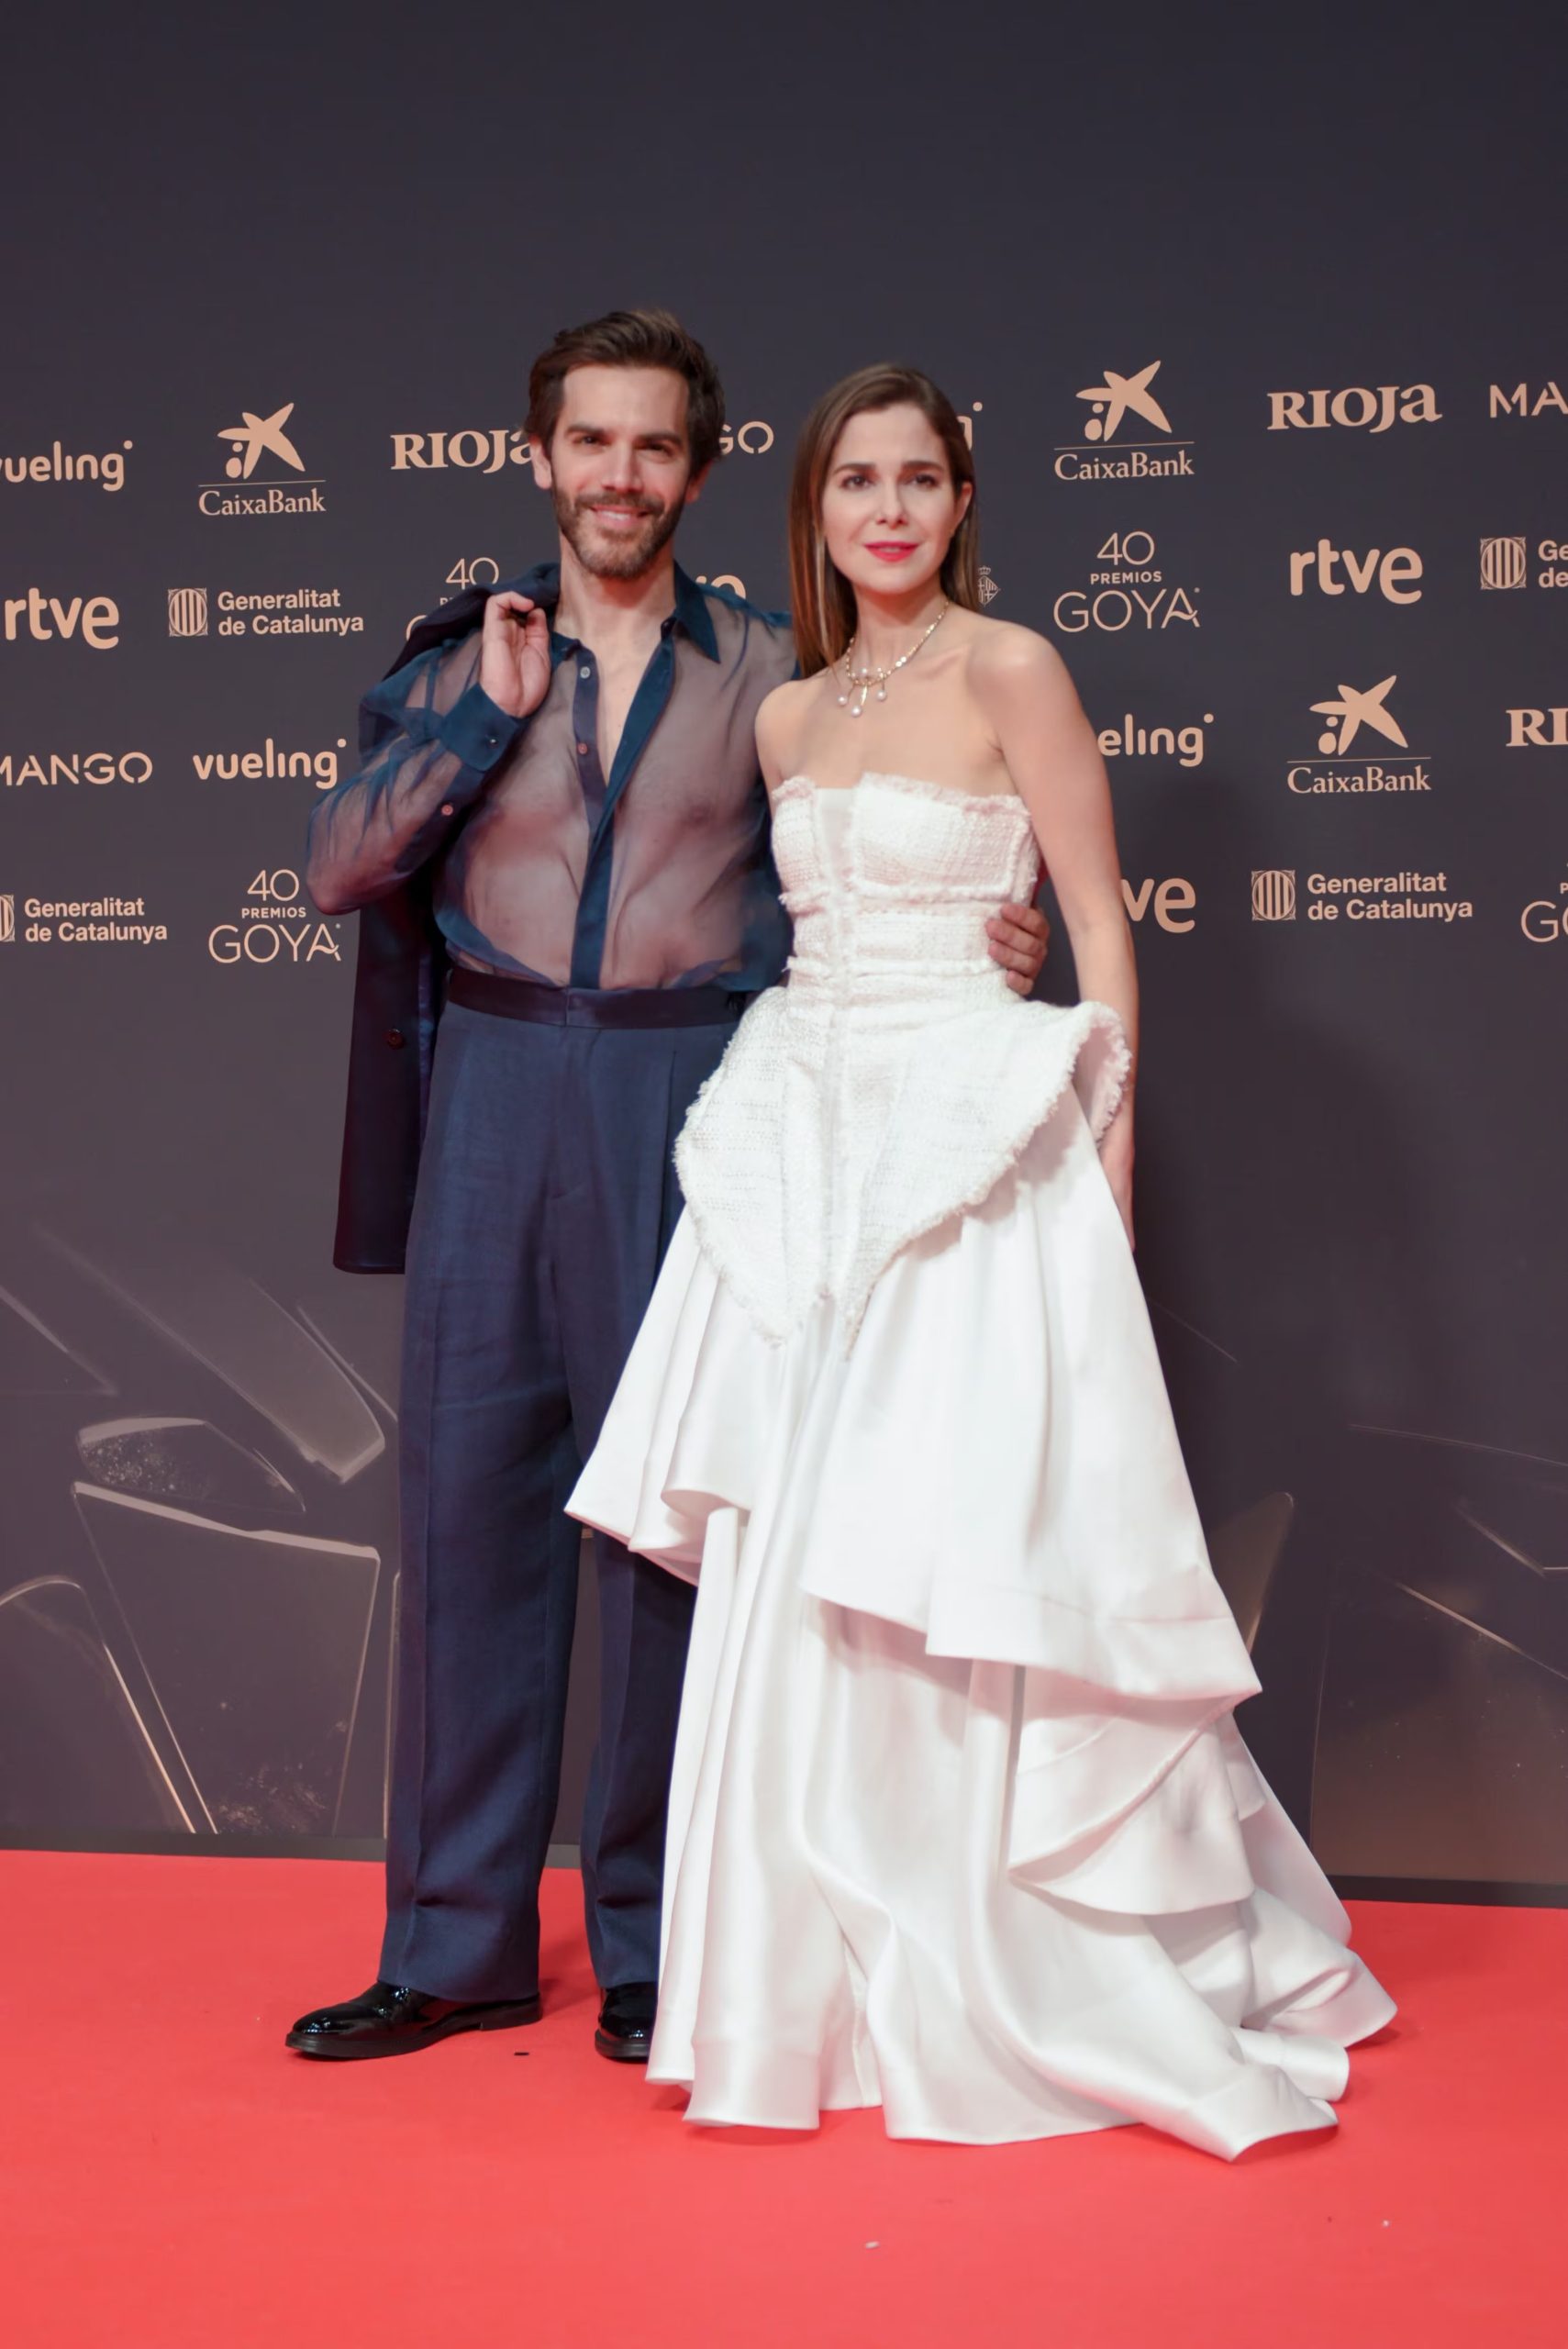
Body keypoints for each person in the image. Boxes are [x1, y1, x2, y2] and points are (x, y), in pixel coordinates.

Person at [568, 363, 1396, 2154]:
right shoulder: (786, 717)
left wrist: (1094, 1164)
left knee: (948, 1541)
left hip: (974, 1139)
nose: (887, 508)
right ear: (816, 505)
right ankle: (809, 1984)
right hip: (802, 1139)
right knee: (800, 1549)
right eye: (856, 478)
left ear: (959, 500)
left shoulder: (1014, 665)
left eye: (918, 479)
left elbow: (1093, 921)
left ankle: (996, 1949)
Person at [286, 314, 1049, 2065]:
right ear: (540, 459)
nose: (619, 476)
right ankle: (453, 1943)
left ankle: (658, 1937)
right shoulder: (456, 661)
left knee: (667, 1528)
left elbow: (893, 859)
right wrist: (482, 721)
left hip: (687, 1097)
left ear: (698, 470)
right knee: (470, 1514)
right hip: (488, 1081)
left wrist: (1003, 932)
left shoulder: (776, 677)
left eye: (652, 448)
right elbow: (338, 866)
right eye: (589, 443)